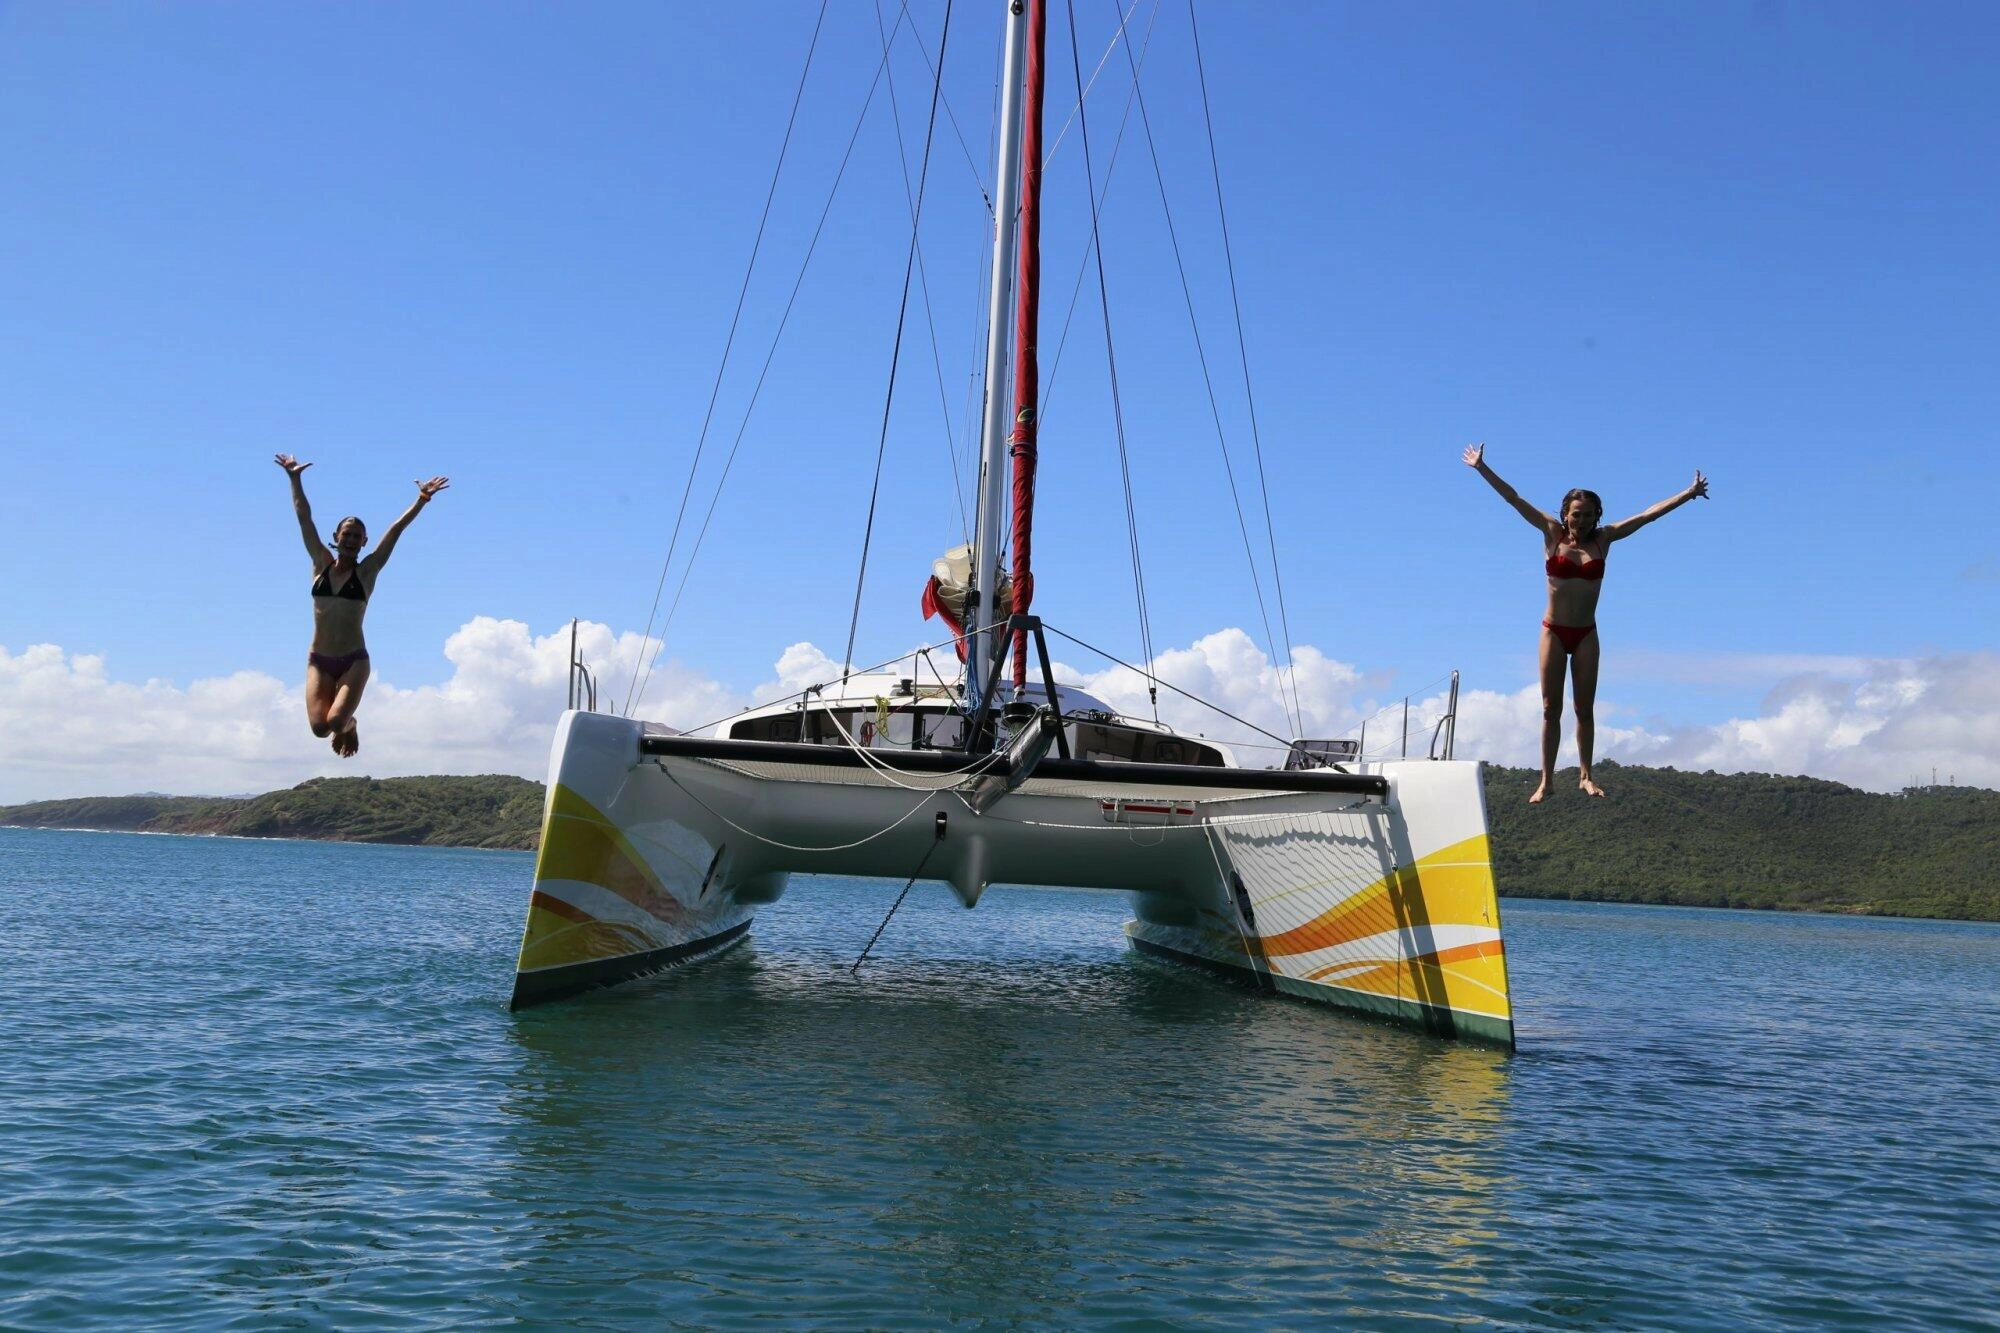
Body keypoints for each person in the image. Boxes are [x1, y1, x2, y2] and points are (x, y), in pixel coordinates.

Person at [1463, 442, 1708, 802]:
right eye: (1576, 514)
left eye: (1589, 514)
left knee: (1584, 709)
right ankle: (1546, 780)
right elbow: (1514, 499)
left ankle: (1585, 776)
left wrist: (1687, 494)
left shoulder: (1604, 539)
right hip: (1554, 632)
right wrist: (1482, 468)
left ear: (1597, 516)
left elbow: (1646, 516)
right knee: (1550, 709)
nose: (1582, 520)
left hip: (1586, 634)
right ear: (1565, 514)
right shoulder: (1551, 533)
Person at [275, 454, 449, 757]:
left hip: (354, 661)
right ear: (336, 538)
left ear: (364, 541)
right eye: (347, 534)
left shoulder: (367, 572)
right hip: (319, 660)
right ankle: (348, 726)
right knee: (319, 728)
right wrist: (295, 479)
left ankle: (349, 723)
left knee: (336, 719)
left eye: (357, 536)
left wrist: (421, 500)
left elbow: (395, 531)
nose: (352, 540)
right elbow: (304, 517)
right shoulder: (320, 565)